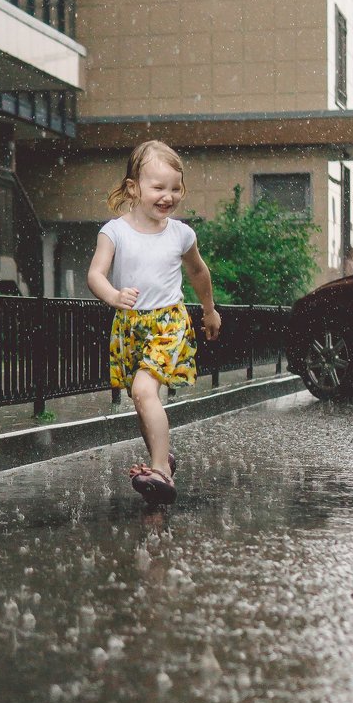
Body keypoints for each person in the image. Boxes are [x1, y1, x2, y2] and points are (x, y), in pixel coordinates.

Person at [87, 140, 221, 505]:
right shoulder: (114, 231)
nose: (168, 196)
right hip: (130, 326)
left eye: (175, 188)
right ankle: (161, 459)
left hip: (168, 323)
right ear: (134, 188)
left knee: (145, 392)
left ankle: (161, 470)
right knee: (140, 398)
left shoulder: (180, 234)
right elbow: (96, 274)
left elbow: (198, 271)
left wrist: (209, 310)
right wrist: (113, 296)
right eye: (158, 188)